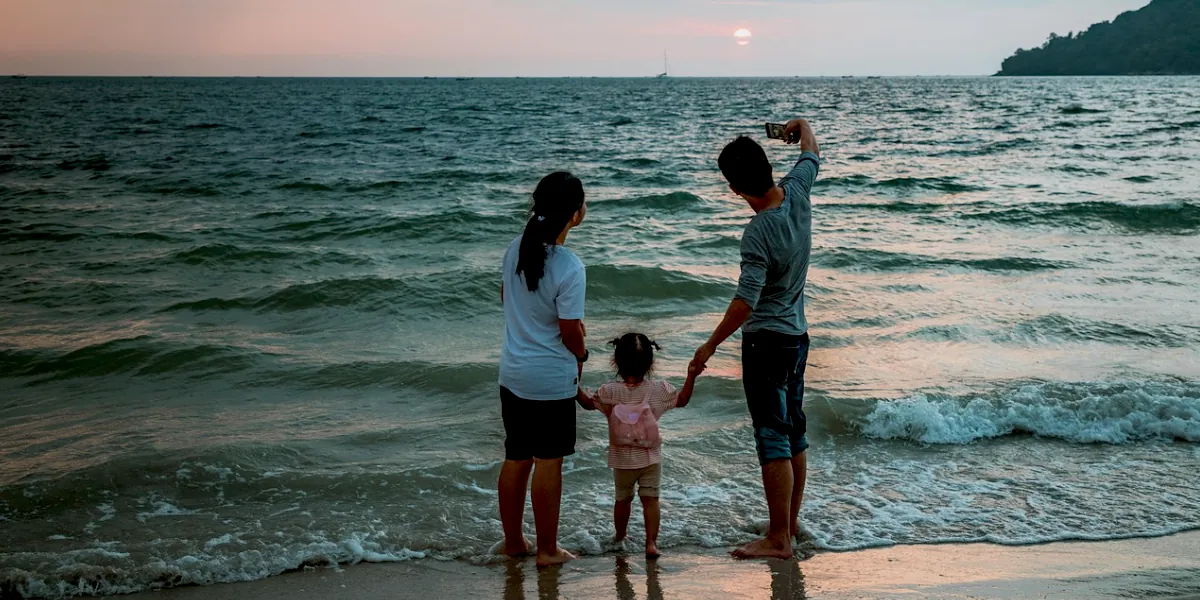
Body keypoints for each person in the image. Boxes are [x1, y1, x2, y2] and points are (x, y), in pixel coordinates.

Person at [690, 118, 820, 559]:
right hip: (798, 338)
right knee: (794, 433)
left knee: (773, 439)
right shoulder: (798, 190)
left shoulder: (758, 232)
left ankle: (778, 539)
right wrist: (795, 126)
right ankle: (789, 525)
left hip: (766, 342)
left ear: (733, 189)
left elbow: (747, 300)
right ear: (768, 166)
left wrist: (709, 345)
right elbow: (810, 149)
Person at [497, 171, 589, 567]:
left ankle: (515, 542)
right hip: (550, 379)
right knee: (549, 461)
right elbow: (570, 331)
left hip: (513, 373)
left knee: (517, 457)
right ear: (575, 214)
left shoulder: (514, 248)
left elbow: (506, 299)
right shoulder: (569, 265)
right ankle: (548, 551)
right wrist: (583, 355)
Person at [580, 333, 703, 559]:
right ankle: (651, 544)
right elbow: (682, 400)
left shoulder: (609, 392)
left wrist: (573, 381)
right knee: (651, 500)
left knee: (622, 500)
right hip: (650, 459)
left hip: (622, 460)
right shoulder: (659, 391)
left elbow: (588, 404)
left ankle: (620, 537)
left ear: (615, 361)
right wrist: (691, 375)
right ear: (650, 363)